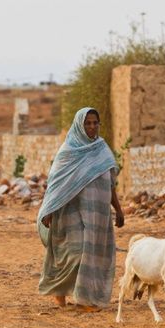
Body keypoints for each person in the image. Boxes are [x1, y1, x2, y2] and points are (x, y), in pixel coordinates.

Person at [37, 107, 124, 312]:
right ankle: (59, 293)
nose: (92, 127)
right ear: (79, 125)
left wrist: (118, 210)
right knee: (72, 254)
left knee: (92, 255)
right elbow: (56, 185)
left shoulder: (102, 150)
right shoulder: (68, 151)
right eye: (88, 123)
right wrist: (48, 211)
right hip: (70, 213)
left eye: (95, 123)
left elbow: (110, 185)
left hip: (98, 215)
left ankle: (85, 299)